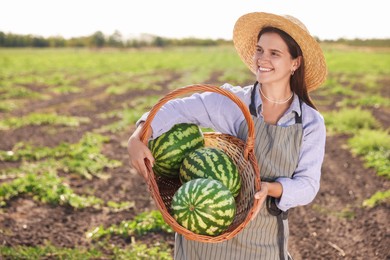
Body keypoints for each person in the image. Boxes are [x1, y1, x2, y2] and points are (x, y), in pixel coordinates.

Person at [128, 11, 327, 260]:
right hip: (204, 243)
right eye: (259, 50)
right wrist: (137, 136)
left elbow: (307, 186)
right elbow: (175, 109)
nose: (262, 59)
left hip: (262, 241)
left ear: (295, 63)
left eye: (274, 53)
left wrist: (269, 189)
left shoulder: (309, 121)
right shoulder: (235, 102)